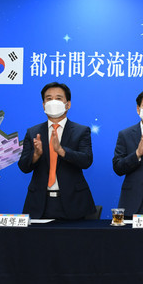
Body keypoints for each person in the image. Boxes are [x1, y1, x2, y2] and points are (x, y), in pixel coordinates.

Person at [18, 82, 95, 219]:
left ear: (68, 104)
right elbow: (23, 167)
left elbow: (86, 160)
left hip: (74, 203)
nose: (53, 102)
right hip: (39, 204)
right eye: (49, 99)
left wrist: (62, 151)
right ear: (43, 105)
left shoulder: (81, 131)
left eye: (58, 98)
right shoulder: (33, 132)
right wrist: (36, 155)